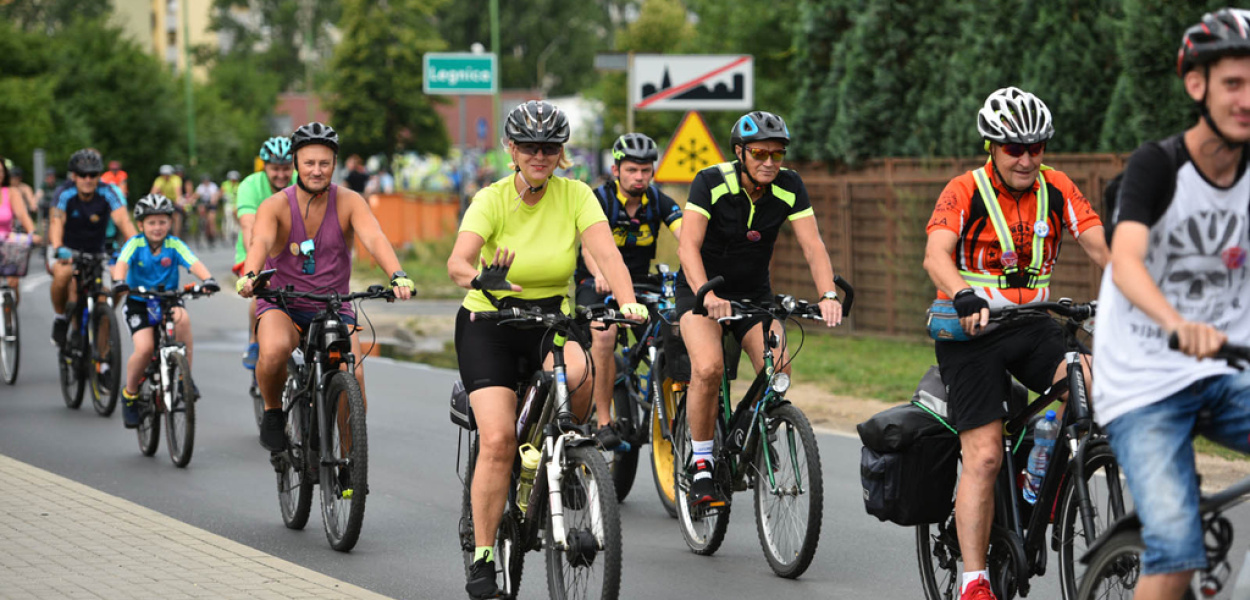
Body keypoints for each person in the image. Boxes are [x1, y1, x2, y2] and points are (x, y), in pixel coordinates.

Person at [445, 100, 648, 599]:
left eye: (550, 148)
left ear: (561, 153)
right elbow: (457, 261)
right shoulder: (491, 198)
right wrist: (481, 279)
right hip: (489, 321)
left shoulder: (577, 195)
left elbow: (607, 254)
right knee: (496, 441)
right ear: (511, 149)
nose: (540, 155)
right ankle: (484, 556)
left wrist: (628, 302)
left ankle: (559, 456)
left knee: (579, 376)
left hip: (548, 322)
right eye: (530, 147)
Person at [923, 87, 1109, 600]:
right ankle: (973, 579)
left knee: (1086, 384)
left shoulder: (1059, 187)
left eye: (1036, 147)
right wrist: (961, 292)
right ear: (992, 147)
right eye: (1013, 148)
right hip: (972, 332)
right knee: (982, 456)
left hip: (1031, 324)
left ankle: (1039, 474)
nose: (1026, 158)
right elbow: (936, 254)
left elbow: (1101, 245)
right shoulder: (964, 190)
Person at [1093, 9, 1250, 600]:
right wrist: (1177, 324)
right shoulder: (1158, 166)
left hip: (1225, 370)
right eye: (1233, 83)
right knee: (1177, 551)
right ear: (1197, 85)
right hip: (1144, 380)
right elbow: (1127, 257)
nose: (1246, 99)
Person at [677, 110, 843, 510]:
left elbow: (812, 245)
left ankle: (751, 433)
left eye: (777, 154)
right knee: (708, 369)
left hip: (753, 295)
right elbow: (687, 246)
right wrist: (705, 293)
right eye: (760, 153)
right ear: (741, 153)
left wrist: (828, 294)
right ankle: (700, 462)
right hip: (702, 293)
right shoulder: (711, 182)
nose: (770, 162)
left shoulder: (790, 187)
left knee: (779, 368)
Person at [236, 122, 414, 453]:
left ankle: (349, 461)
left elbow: (374, 237)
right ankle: (273, 412)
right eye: (309, 163)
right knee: (273, 350)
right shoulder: (275, 205)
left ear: (335, 163)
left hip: (334, 305)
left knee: (354, 377)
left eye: (324, 163)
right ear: (295, 164)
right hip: (283, 303)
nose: (317, 171)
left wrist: (397, 274)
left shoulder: (350, 201)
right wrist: (250, 274)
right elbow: (259, 241)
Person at [574, 133, 683, 448]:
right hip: (596, 284)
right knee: (604, 335)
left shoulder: (659, 202)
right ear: (616, 169)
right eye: (632, 170)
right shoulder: (599, 200)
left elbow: (687, 237)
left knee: (675, 330)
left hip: (642, 285)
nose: (639, 177)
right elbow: (588, 250)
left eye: (645, 170)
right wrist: (600, 274)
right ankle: (605, 420)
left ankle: (666, 395)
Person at [111, 194, 219, 428]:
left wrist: (208, 279)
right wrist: (119, 281)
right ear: (140, 225)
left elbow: (193, 262)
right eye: (151, 222)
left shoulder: (174, 244)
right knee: (145, 348)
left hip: (168, 301)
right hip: (139, 302)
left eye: (162, 222)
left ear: (170, 223)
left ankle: (184, 379)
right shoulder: (135, 244)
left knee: (183, 320)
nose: (157, 227)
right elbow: (121, 264)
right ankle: (129, 395)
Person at [49, 149, 137, 346]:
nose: (87, 179)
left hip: (99, 251)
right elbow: (56, 222)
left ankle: (103, 318)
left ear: (99, 175)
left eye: (93, 174)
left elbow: (123, 220)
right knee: (63, 276)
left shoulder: (108, 192)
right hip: (67, 250)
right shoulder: (65, 192)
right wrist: (57, 246)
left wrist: (137, 246)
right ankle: (61, 318)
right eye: (82, 174)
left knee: (118, 284)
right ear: (74, 176)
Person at [233, 137, 296, 370]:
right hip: (253, 246)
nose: (281, 175)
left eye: (286, 168)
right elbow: (249, 227)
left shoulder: (301, 182)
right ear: (264, 167)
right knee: (262, 292)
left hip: (291, 248)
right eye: (275, 169)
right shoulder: (250, 185)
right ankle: (254, 340)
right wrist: (254, 269)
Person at [0, 156, 41, 303]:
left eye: (1, 171)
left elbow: (23, 215)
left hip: (7, 243)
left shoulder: (11, 192)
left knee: (13, 282)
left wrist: (33, 232)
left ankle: (9, 316)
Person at [151, 165, 183, 236]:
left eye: (167, 175)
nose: (165, 176)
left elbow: (178, 192)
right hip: (164, 200)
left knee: (176, 216)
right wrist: (151, 201)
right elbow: (153, 192)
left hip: (174, 200)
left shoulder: (176, 179)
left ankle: (176, 236)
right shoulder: (159, 180)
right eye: (164, 175)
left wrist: (178, 201)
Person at [192, 174, 220, 247]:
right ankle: (202, 224)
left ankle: (213, 235)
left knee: (211, 220)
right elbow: (196, 195)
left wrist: (214, 199)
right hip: (204, 204)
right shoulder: (201, 187)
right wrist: (193, 200)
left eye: (206, 181)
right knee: (201, 210)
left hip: (211, 204)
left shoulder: (213, 186)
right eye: (204, 181)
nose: (205, 182)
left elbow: (215, 195)